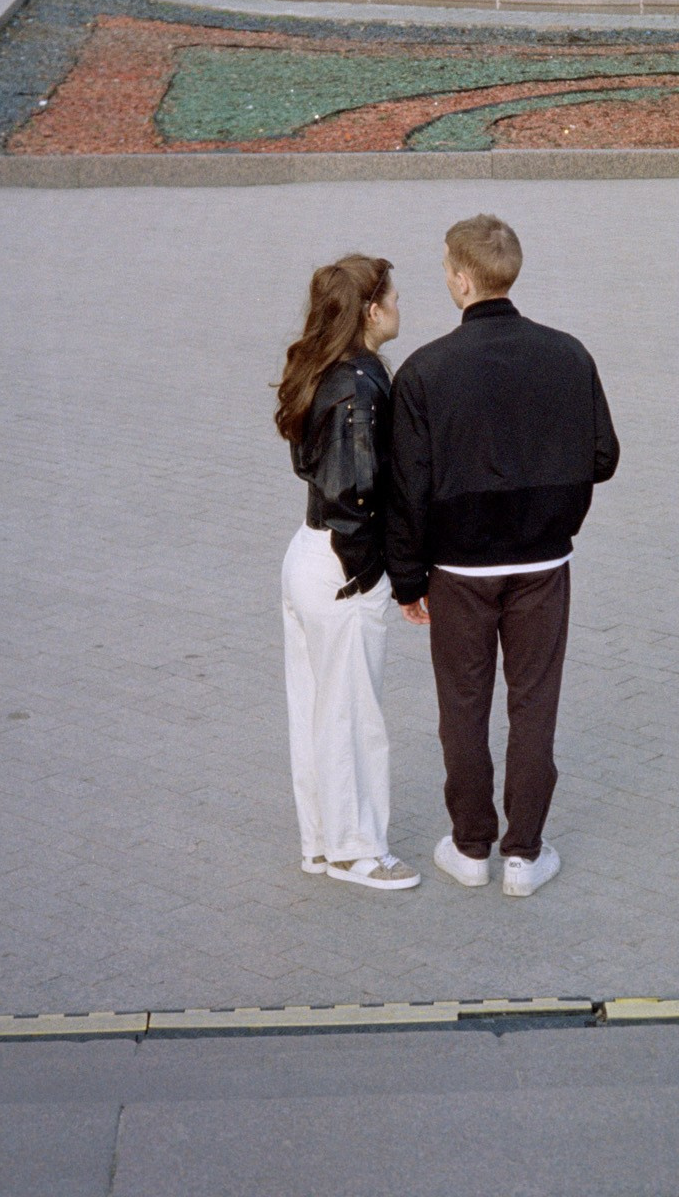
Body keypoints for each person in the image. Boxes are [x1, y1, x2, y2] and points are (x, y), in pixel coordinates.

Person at [388, 215, 619, 899]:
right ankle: (524, 854)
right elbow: (602, 457)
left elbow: (407, 488)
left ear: (460, 278)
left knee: (462, 705)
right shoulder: (568, 354)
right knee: (533, 704)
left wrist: (406, 579)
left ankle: (469, 846)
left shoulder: (425, 370)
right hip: (543, 562)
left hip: (457, 569)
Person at [274, 255, 420, 893]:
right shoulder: (359, 386)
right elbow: (356, 492)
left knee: (314, 711)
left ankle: (322, 843)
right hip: (341, 565)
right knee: (354, 717)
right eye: (392, 296)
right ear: (369, 310)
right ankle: (358, 851)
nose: (399, 307)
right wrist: (372, 575)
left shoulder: (323, 371)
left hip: (308, 553)